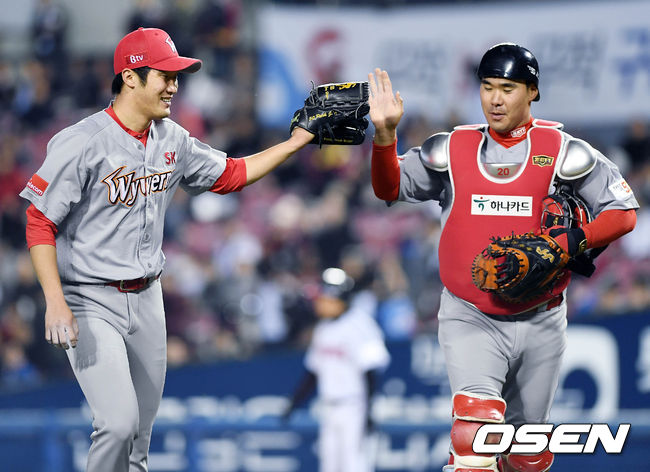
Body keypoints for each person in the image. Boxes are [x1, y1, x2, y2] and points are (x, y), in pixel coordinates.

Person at [19, 27, 314, 472]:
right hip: (89, 297)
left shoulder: (172, 138)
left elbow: (232, 175)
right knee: (117, 424)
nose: (174, 86)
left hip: (147, 297)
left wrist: (295, 142)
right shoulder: (82, 141)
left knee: (139, 441)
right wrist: (55, 301)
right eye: (165, 75)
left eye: (177, 77)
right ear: (130, 77)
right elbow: (40, 220)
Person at [367, 43, 638, 472]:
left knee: (527, 456)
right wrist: (384, 137)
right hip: (470, 314)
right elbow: (389, 187)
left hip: (542, 318)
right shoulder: (451, 149)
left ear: (532, 91)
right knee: (474, 438)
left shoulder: (563, 151)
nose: (495, 99)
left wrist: (566, 243)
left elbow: (622, 214)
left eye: (507, 89)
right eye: (488, 87)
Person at [284, 267, 390, 472]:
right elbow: (313, 372)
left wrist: (369, 410)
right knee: (329, 465)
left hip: (354, 406)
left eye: (326, 298)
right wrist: (294, 402)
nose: (321, 302)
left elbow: (371, 370)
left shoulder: (360, 324)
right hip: (328, 407)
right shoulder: (323, 328)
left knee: (354, 465)